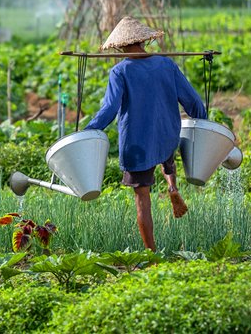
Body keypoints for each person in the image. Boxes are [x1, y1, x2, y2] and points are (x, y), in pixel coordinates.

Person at [85, 17, 207, 251]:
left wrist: (89, 131)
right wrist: (202, 120)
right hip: (167, 133)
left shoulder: (120, 72)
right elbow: (191, 100)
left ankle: (151, 254)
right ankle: (172, 187)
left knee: (142, 200)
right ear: (143, 41)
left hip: (137, 143)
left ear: (120, 46)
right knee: (165, 155)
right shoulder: (167, 65)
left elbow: (110, 109)